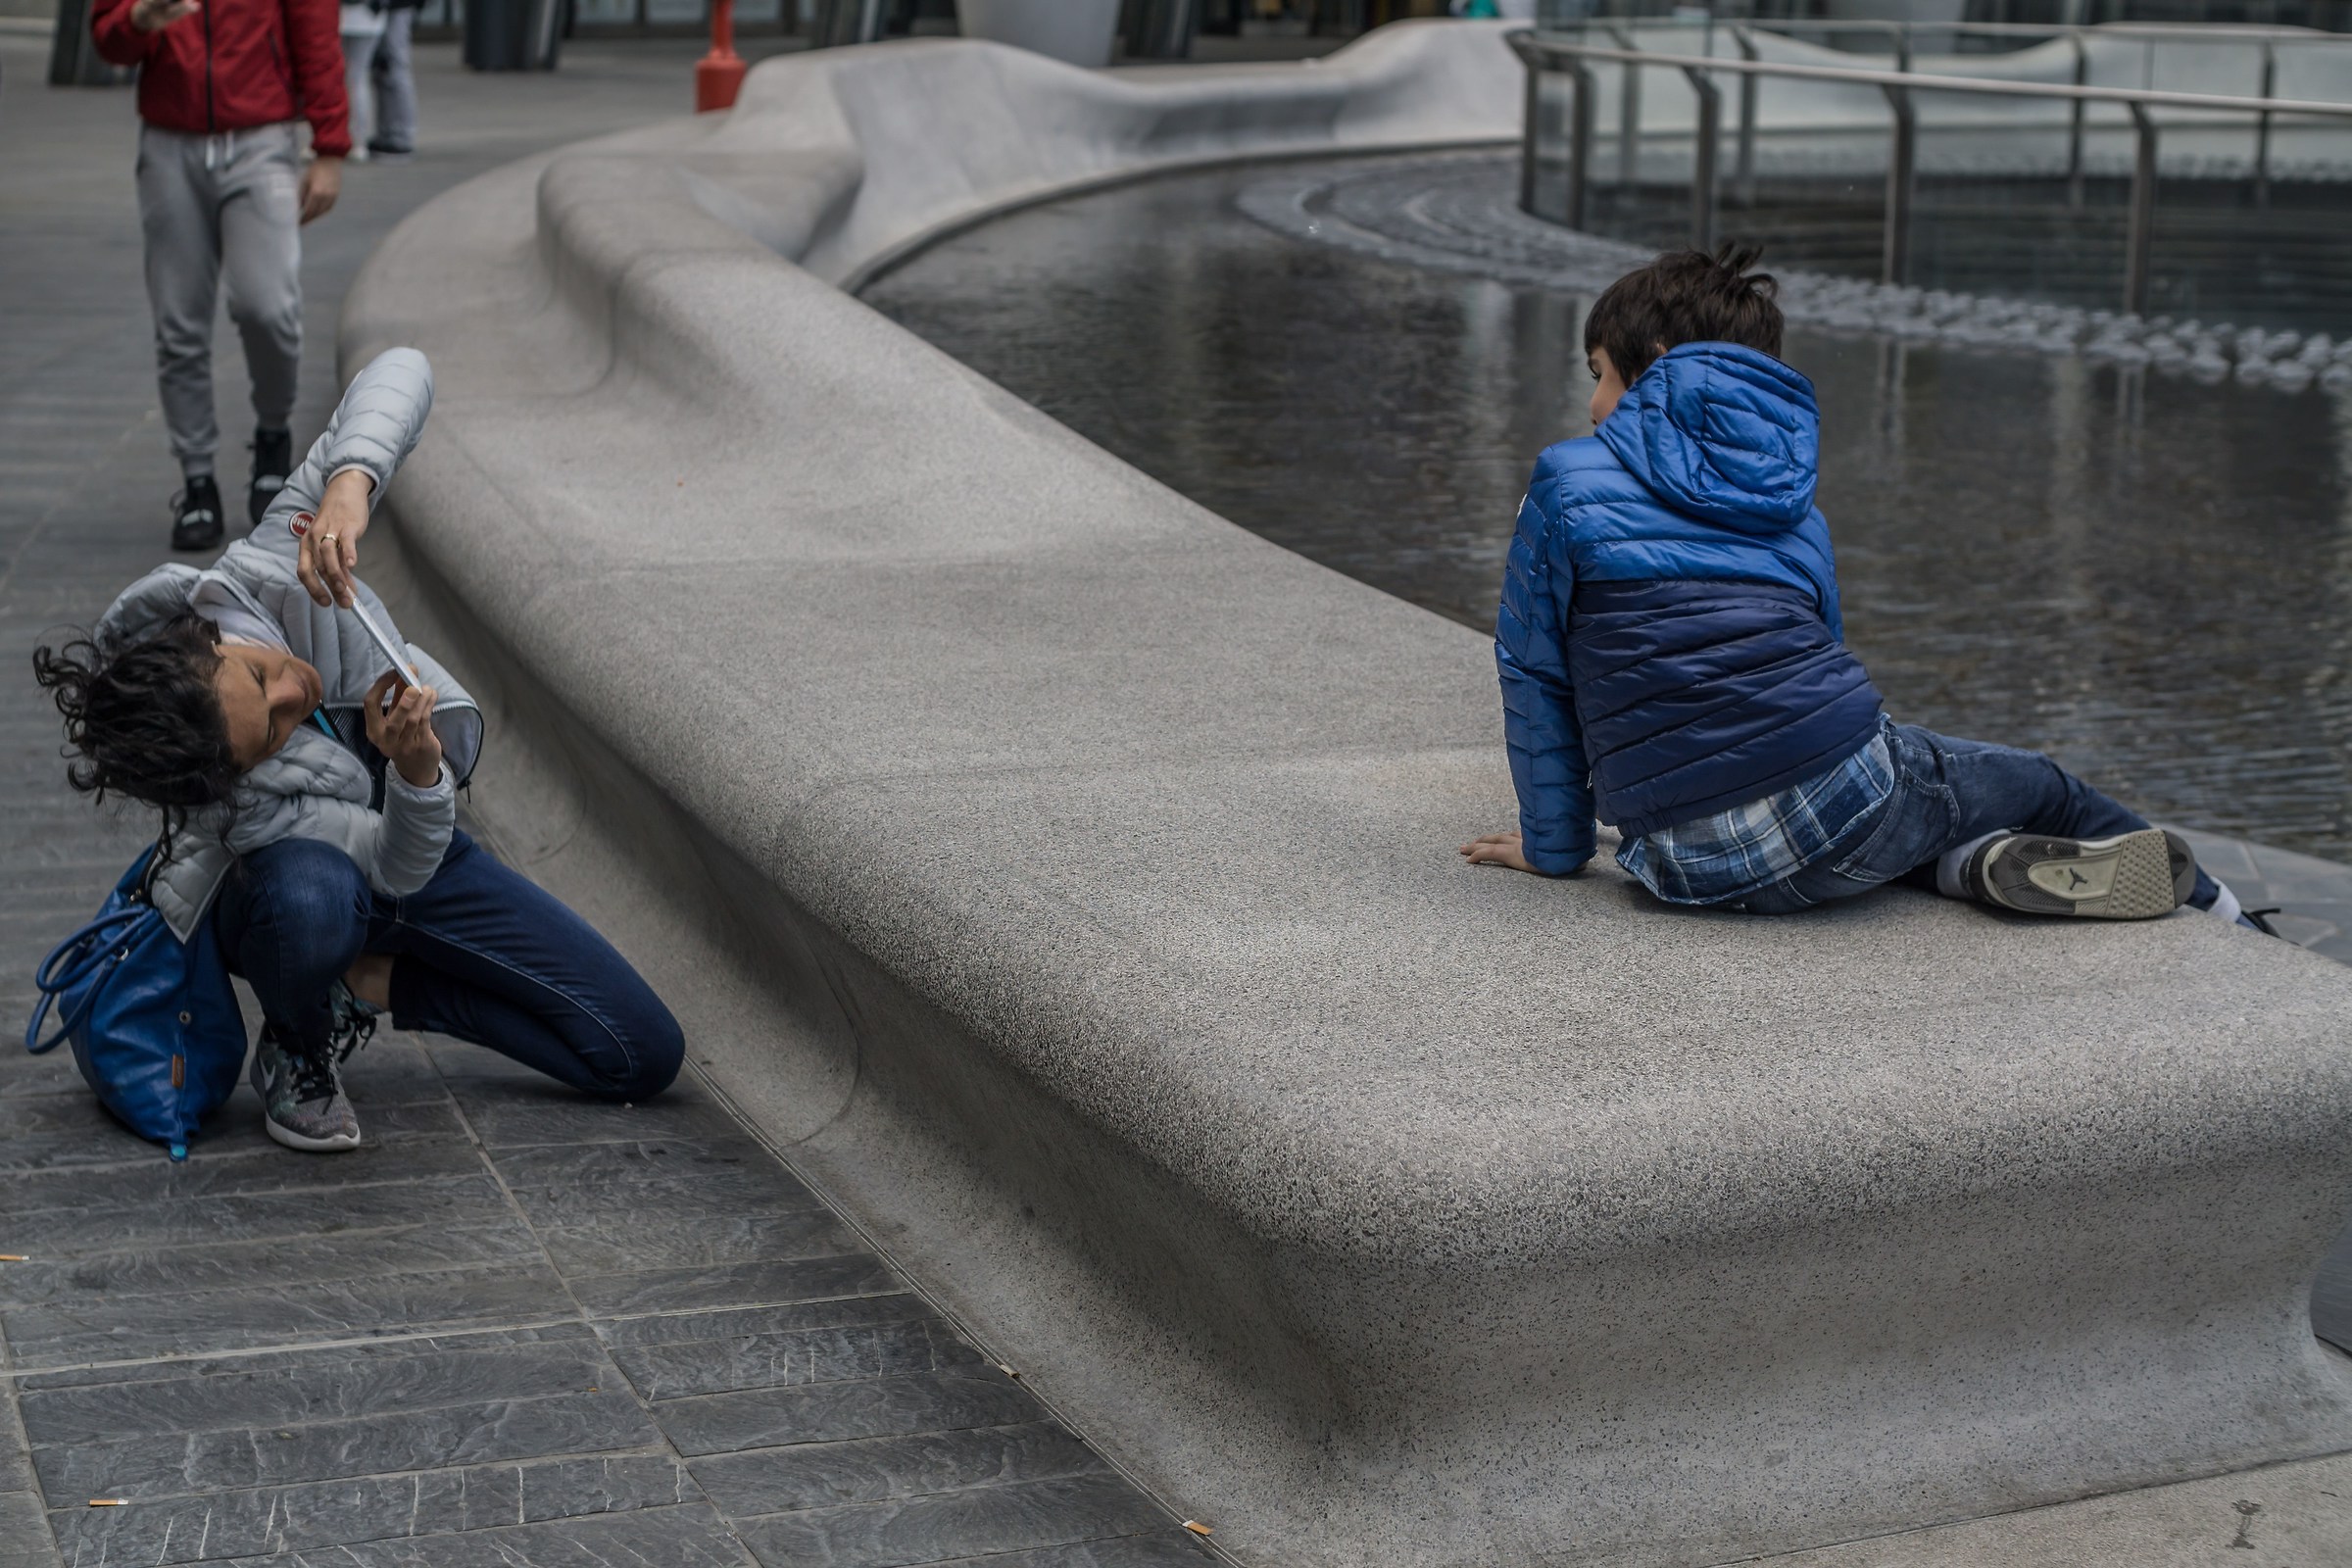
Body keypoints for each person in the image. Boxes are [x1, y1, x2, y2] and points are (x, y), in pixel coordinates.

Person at [1461, 245, 2272, 933]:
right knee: (2027, 784)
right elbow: (1824, 681)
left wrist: (1555, 847)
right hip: (1847, 815)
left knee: (1878, 805)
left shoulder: (1566, 481)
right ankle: (2221, 908)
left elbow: (1535, 668)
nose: (1596, 407)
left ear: (1654, 373)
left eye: (1600, 375)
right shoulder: (1794, 509)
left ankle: (1972, 867)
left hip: (1681, 865)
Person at [34, 349, 684, 1152]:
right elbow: (386, 867)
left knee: (639, 1053)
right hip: (308, 890)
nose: (292, 694)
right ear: (231, 773)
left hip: (418, 846)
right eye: (269, 731)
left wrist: (349, 484)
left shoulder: (268, 567)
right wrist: (413, 772)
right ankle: (299, 1039)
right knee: (310, 901)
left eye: (260, 672)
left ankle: (368, 985)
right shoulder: (236, 804)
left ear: (213, 636)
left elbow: (403, 369)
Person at [91, 0, 351, 553]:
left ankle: (273, 438)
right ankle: (197, 480)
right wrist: (139, 19)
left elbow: (316, 32)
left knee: (268, 306)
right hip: (169, 142)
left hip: (261, 139)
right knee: (178, 322)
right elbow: (107, 40)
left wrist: (330, 146)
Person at [366, 0, 422, 160]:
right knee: (385, 69)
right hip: (394, 6)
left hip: (398, 6)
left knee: (395, 66)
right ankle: (389, 132)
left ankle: (400, 134)